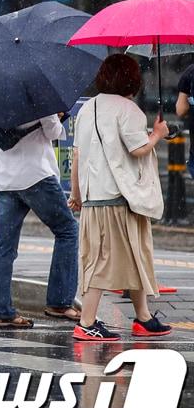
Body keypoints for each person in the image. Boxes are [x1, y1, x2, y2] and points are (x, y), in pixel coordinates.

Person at [69, 54, 173, 341]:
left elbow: (77, 155)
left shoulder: (87, 109)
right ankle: (87, 322)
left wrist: (76, 194)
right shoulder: (129, 110)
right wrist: (158, 133)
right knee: (105, 260)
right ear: (132, 80)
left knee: (131, 255)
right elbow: (138, 149)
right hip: (119, 196)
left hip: (93, 197)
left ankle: (143, 316)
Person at [0, 114, 80, 329]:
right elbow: (53, 133)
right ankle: (59, 302)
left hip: (5, 179)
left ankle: (2, 312)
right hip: (36, 175)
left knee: (4, 247)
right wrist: (57, 117)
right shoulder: (38, 96)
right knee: (67, 230)